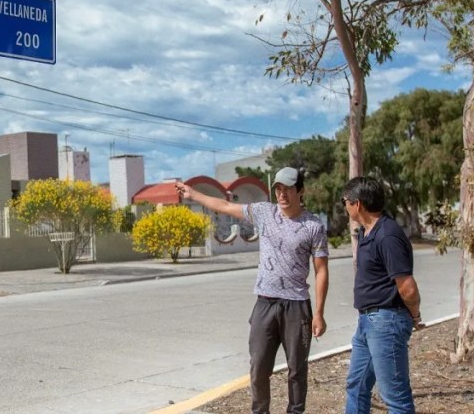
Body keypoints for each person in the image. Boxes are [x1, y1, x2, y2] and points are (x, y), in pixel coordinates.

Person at [175, 167, 329, 414]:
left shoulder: (313, 226)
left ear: (300, 191)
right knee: (258, 368)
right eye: (278, 189)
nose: (282, 194)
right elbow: (225, 207)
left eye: (288, 189)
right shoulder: (264, 212)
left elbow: (321, 270)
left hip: (297, 306)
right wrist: (194, 194)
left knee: (297, 371)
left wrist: (319, 313)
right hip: (265, 304)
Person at [341, 176, 423, 414]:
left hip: (386, 322)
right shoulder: (368, 232)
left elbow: (407, 287)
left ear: (357, 204)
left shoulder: (387, 235)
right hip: (368, 322)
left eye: (344, 201)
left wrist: (414, 316)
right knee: (356, 386)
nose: (344, 206)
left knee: (395, 397)